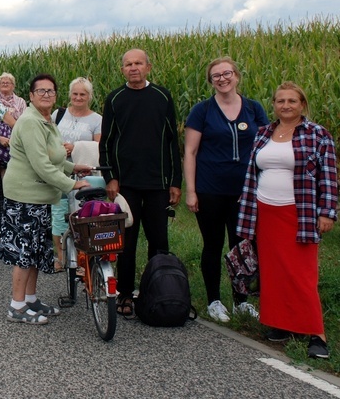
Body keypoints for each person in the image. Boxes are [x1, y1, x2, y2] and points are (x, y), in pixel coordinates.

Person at [237, 81, 337, 359]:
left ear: (302, 104)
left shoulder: (318, 134)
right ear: (274, 105)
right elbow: (253, 173)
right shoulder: (263, 133)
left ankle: (317, 334)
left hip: (299, 213)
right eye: (280, 101)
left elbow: (328, 177)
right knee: (273, 273)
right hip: (265, 212)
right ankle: (282, 325)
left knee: (302, 274)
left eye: (292, 101)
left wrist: (327, 212)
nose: (286, 106)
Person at [0, 74, 92, 324]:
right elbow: (40, 164)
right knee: (24, 252)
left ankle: (30, 299)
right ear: (30, 95)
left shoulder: (46, 120)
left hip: (39, 197)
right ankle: (16, 306)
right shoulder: (30, 122)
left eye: (51, 91)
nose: (46, 95)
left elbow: (54, 158)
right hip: (24, 196)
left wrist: (73, 168)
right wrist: (72, 184)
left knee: (37, 250)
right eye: (41, 91)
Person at [184, 57, 268, 322]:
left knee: (241, 246)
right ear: (211, 81)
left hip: (245, 191)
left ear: (236, 76)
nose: (222, 79)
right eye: (216, 75)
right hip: (210, 189)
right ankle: (214, 301)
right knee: (213, 244)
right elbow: (190, 151)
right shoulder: (203, 110)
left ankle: (241, 300)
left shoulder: (253, 109)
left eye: (226, 73)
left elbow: (266, 147)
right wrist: (191, 190)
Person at [99, 48, 182, 317]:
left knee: (159, 240)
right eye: (128, 64)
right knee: (127, 241)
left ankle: (155, 291)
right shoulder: (115, 99)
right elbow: (107, 143)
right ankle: (124, 293)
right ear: (122, 69)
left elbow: (172, 141)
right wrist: (110, 177)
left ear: (148, 67)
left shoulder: (162, 96)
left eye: (138, 63)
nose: (133, 68)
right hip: (126, 185)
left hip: (157, 182)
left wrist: (175, 181)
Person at [50, 77, 103, 270]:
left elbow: (99, 146)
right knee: (58, 213)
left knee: (81, 215)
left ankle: (82, 257)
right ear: (70, 94)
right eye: (75, 93)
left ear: (89, 96)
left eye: (83, 94)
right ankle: (62, 256)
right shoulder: (59, 113)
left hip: (83, 174)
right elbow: (48, 136)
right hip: (58, 171)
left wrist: (76, 147)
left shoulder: (97, 119)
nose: (78, 97)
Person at [0, 72, 27, 246]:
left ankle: (10, 226)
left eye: (8, 82)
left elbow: (24, 123)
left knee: (10, 187)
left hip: (15, 145)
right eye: (2, 82)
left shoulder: (21, 102)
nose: (5, 84)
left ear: (13, 85)